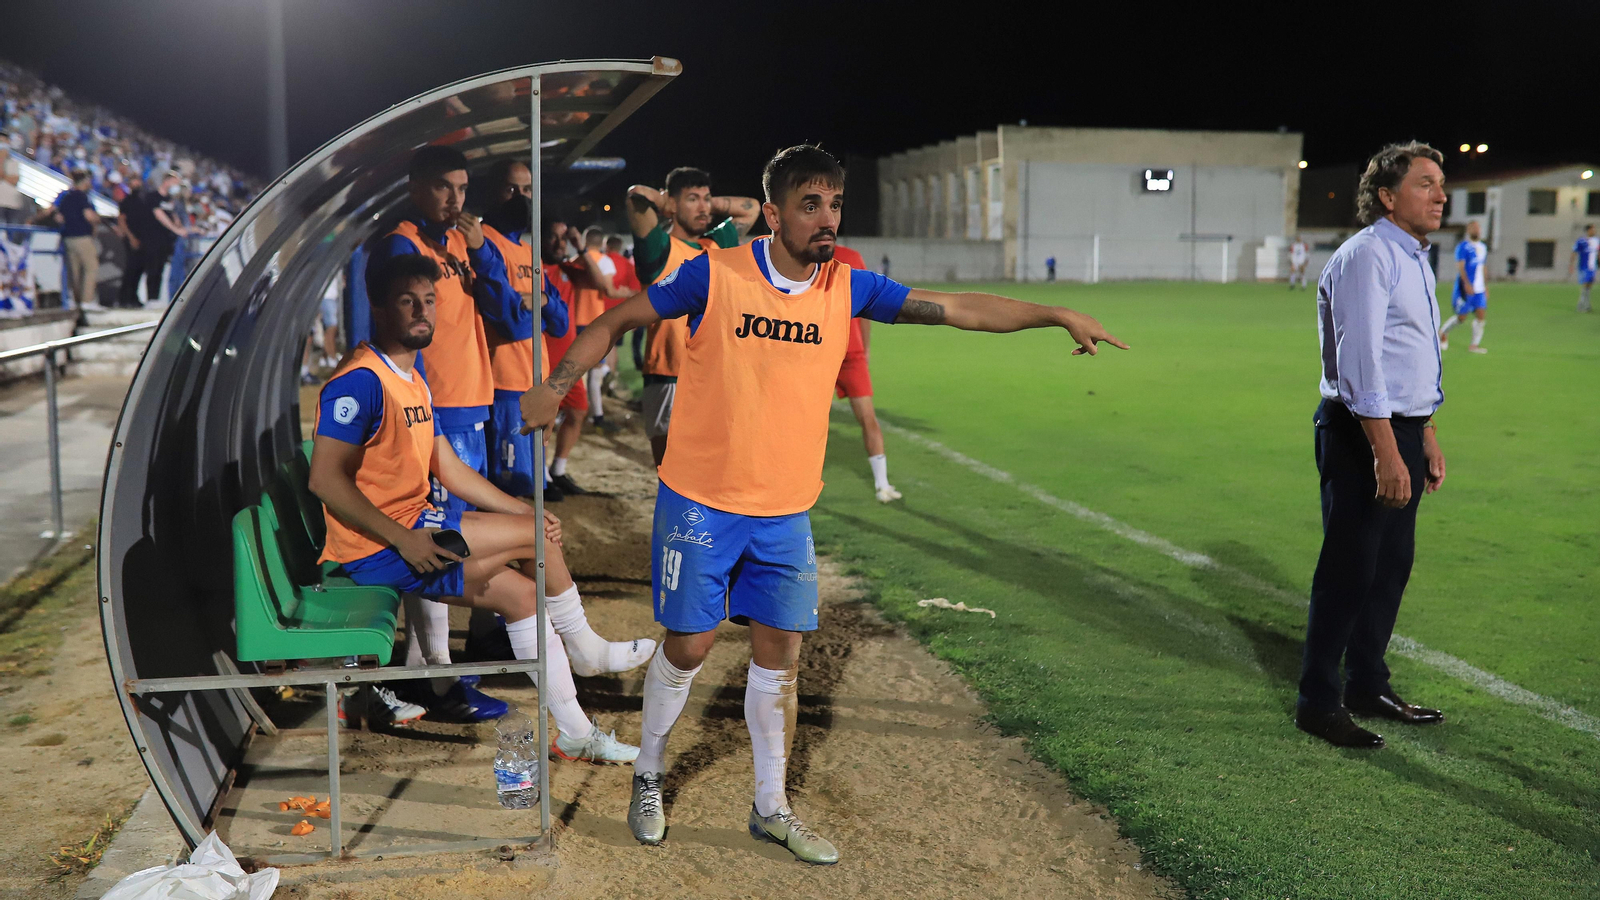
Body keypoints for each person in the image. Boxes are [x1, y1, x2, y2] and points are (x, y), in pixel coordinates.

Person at [523, 145, 1127, 863]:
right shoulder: (716, 275)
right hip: (700, 502)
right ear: (773, 213)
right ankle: (649, 774)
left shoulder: (851, 286)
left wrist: (1053, 312)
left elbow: (959, 307)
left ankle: (771, 806)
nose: (827, 218)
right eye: (811, 205)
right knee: (687, 645)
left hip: (785, 511)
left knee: (781, 659)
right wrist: (556, 385)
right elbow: (613, 321)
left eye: (835, 204)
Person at [309, 251, 649, 759]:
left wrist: (517, 507)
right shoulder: (360, 380)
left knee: (521, 595)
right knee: (536, 537)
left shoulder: (410, 373)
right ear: (379, 309)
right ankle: (585, 648)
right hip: (377, 547)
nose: (424, 311)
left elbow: (448, 468)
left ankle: (576, 733)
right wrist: (404, 538)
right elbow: (324, 480)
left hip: (417, 527)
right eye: (408, 302)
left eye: (429, 300)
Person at [1300, 141, 1449, 750]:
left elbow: (1410, 354)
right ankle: (1318, 700)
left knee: (1389, 569)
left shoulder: (1413, 255)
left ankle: (1367, 683)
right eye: (1426, 183)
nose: (1441, 195)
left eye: (1441, 183)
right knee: (1349, 569)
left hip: (1403, 429)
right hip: (1363, 432)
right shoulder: (1368, 256)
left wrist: (1427, 435)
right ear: (1388, 196)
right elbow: (1361, 364)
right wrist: (1388, 452)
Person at [625, 167, 761, 466]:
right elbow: (635, 197)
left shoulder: (716, 244)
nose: (704, 207)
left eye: (707, 198)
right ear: (671, 205)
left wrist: (708, 202)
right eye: (693, 199)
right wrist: (665, 201)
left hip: (716, 375)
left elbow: (751, 208)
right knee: (672, 473)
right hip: (669, 375)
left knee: (715, 472)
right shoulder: (659, 247)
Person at [831, 243, 900, 502]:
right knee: (868, 419)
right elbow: (867, 309)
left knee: (801, 421)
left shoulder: (801, 254)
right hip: (848, 351)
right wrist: (865, 347)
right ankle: (882, 485)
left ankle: (787, 484)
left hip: (821, 349)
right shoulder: (850, 257)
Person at [117, 171, 184, 308]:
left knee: (148, 269)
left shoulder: (166, 199)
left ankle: (140, 299)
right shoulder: (143, 198)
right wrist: (131, 237)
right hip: (145, 239)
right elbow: (123, 219)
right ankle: (127, 299)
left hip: (155, 240)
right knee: (136, 269)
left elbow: (172, 216)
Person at [36, 169, 100, 312]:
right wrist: (97, 220)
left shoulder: (64, 196)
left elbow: (55, 214)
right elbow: (89, 215)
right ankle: (86, 300)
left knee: (74, 270)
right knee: (91, 267)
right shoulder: (81, 196)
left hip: (67, 237)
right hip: (82, 237)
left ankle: (75, 300)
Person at [1439, 220, 1488, 352]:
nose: (1476, 230)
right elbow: (1460, 266)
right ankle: (1443, 332)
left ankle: (1474, 345)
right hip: (1465, 288)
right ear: (1468, 231)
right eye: (1473, 228)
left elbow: (1482, 267)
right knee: (1462, 317)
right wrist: (1466, 283)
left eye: (1478, 228)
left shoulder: (1483, 247)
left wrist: (1485, 287)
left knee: (1481, 316)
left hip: (1479, 289)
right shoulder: (1463, 246)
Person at [1571, 223, 1597, 312]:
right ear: (1588, 230)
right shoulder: (1581, 241)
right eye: (1593, 229)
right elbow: (1574, 252)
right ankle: (1581, 306)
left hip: (1592, 267)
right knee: (1585, 285)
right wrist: (1571, 265)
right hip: (1584, 267)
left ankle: (1587, 305)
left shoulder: (1597, 241)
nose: (1594, 231)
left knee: (1589, 286)